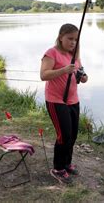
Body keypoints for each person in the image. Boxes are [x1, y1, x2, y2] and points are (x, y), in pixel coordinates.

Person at [40, 23, 88, 184]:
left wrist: (83, 77)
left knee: (73, 135)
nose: (73, 42)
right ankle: (58, 168)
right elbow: (44, 75)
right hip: (56, 100)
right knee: (64, 135)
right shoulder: (51, 53)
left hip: (73, 100)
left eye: (75, 39)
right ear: (61, 37)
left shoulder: (75, 56)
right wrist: (63, 70)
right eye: (70, 38)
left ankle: (67, 163)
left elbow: (81, 73)